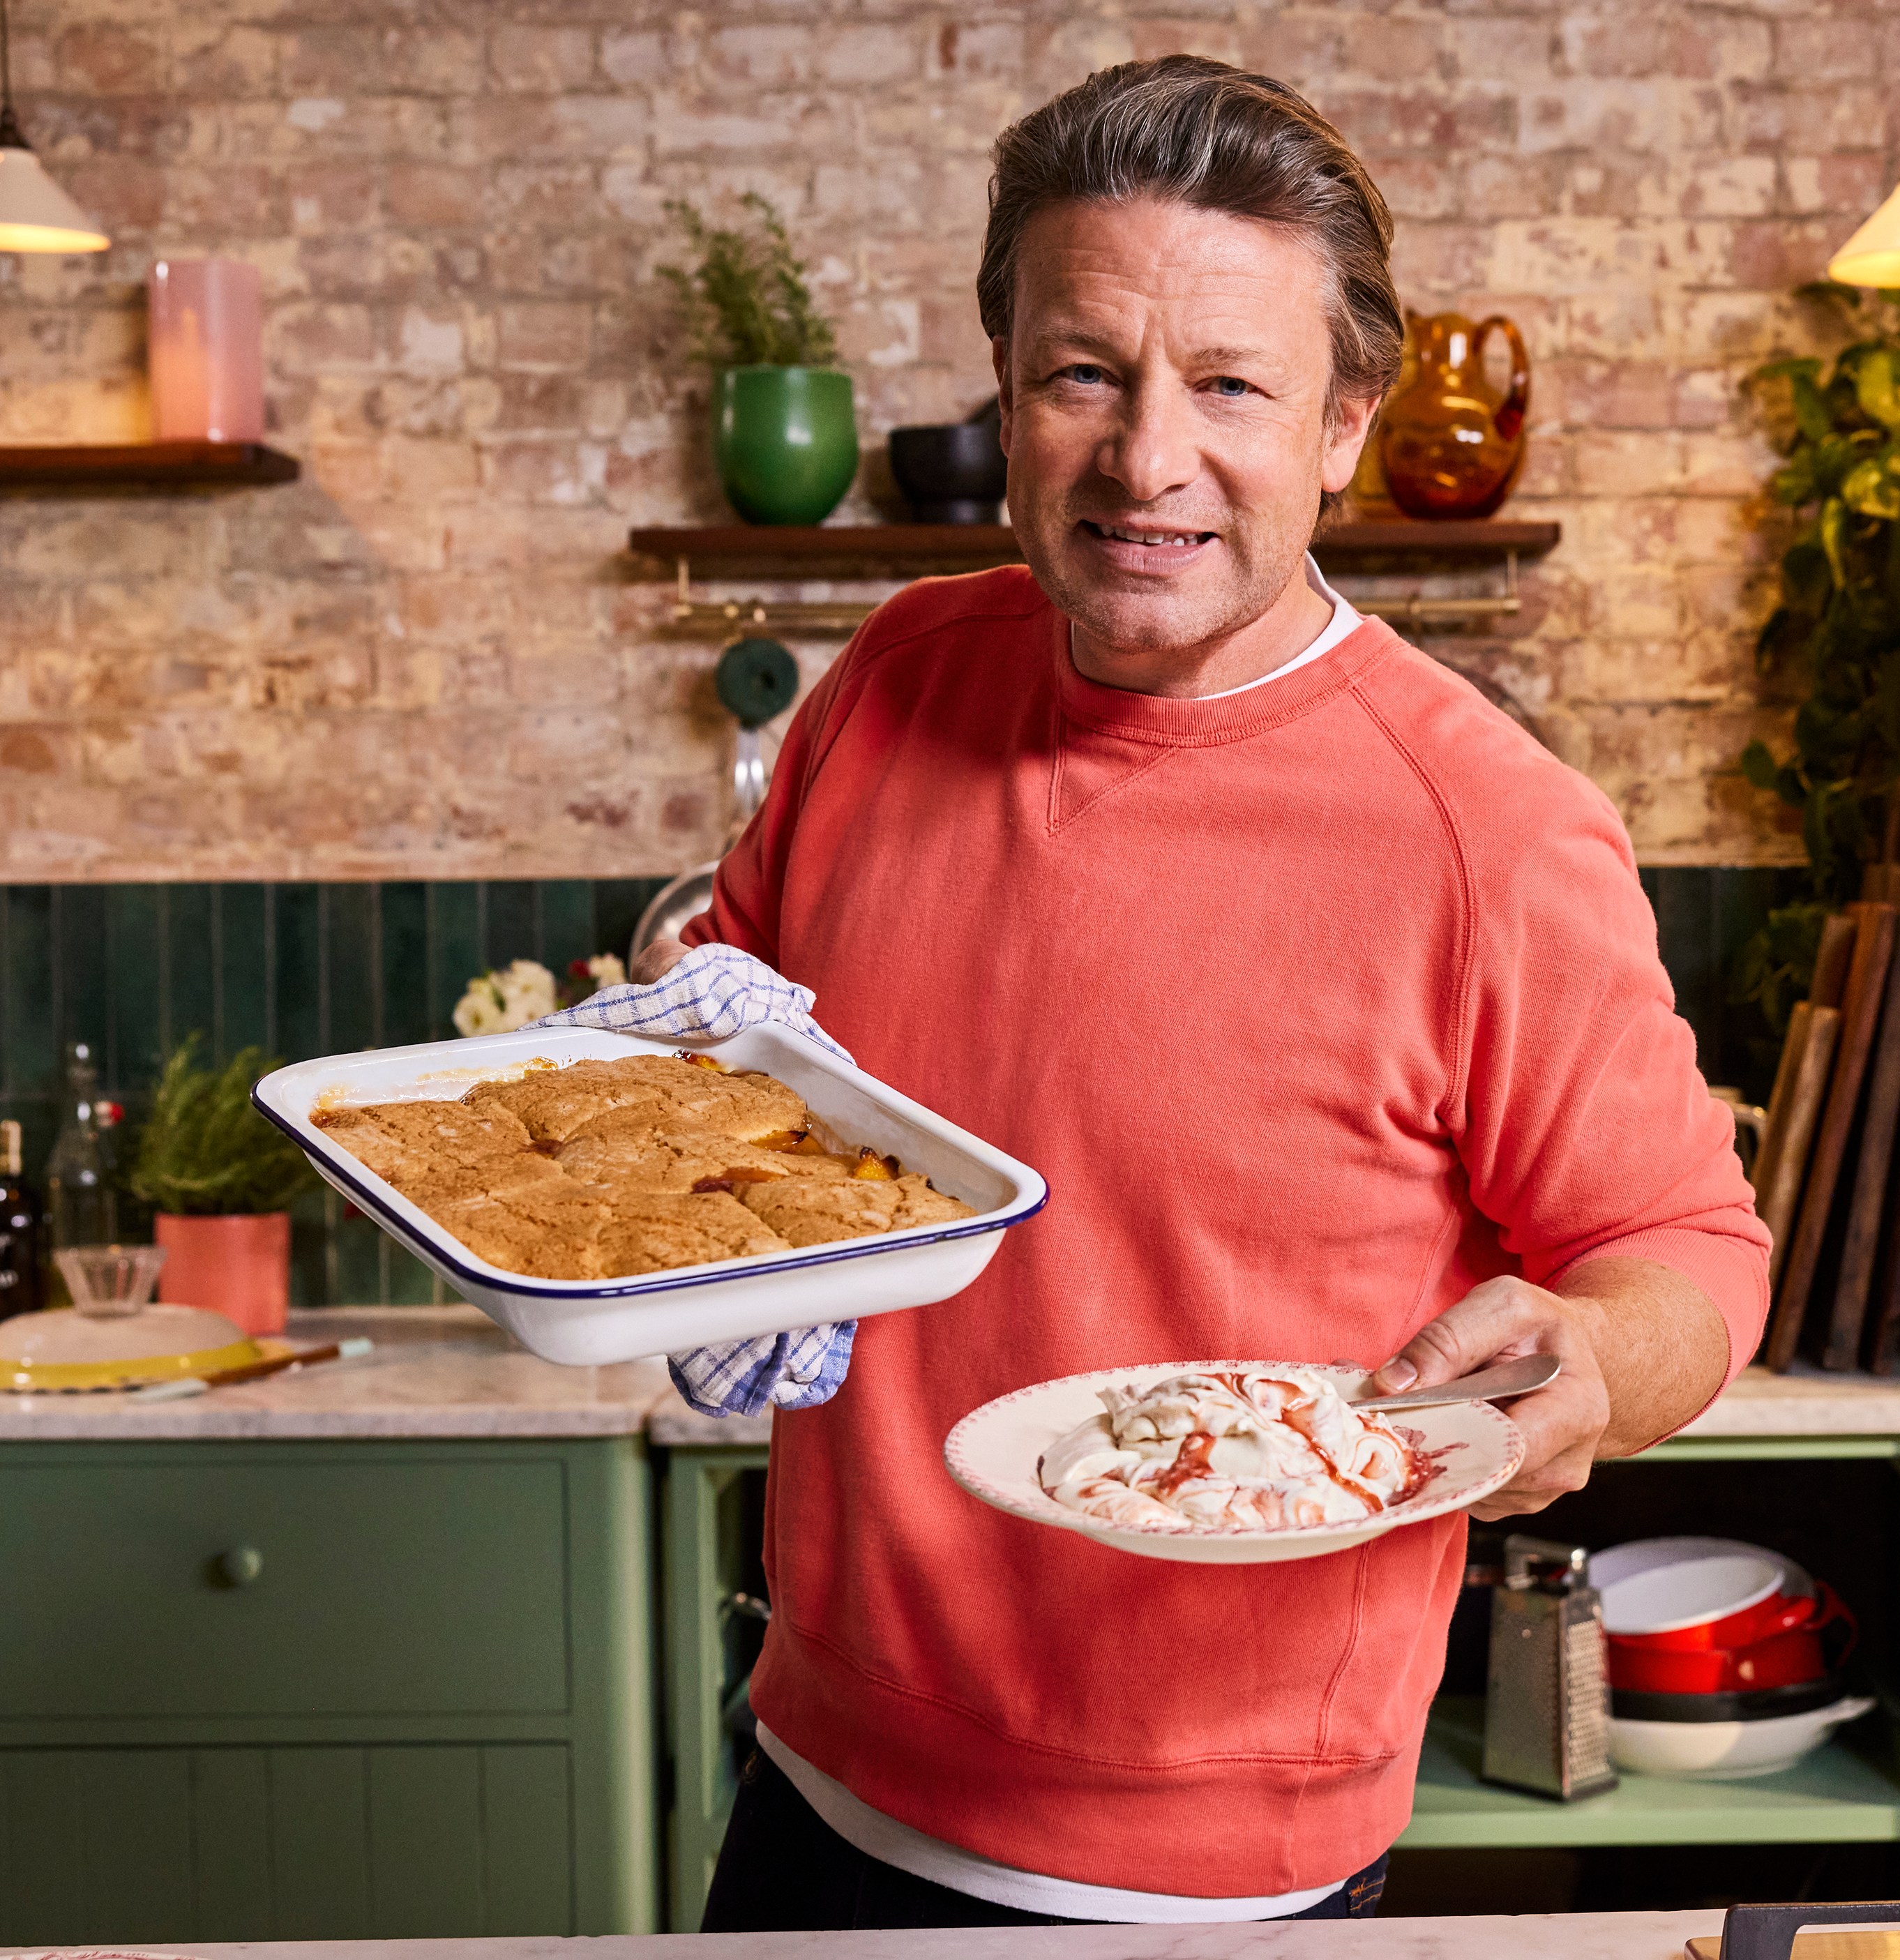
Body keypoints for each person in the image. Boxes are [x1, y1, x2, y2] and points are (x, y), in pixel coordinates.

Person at [630, 54, 1770, 1931]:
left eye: (1229, 385)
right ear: (1005, 386)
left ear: (1340, 426)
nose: (1146, 459)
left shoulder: (1484, 828)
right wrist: (694, 1194)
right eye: (1084, 371)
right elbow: (734, 1025)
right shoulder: (898, 674)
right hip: (816, 1777)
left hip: (1220, 1869)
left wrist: (1591, 1366)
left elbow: (1682, 1250)